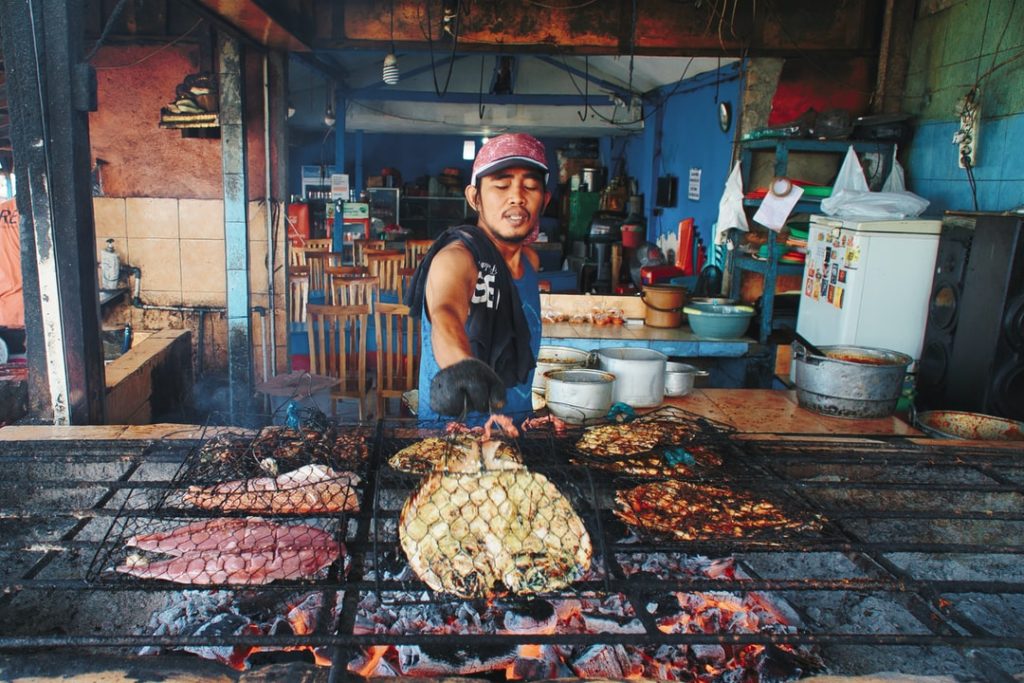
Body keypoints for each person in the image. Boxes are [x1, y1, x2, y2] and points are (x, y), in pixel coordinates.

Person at [405, 133, 551, 420]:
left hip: (512, 433)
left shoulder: (530, 264)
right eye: (501, 185)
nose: (517, 197)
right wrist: (463, 366)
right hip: (451, 438)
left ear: (544, 200)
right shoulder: (457, 257)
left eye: (530, 187)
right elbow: (446, 311)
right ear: (475, 197)